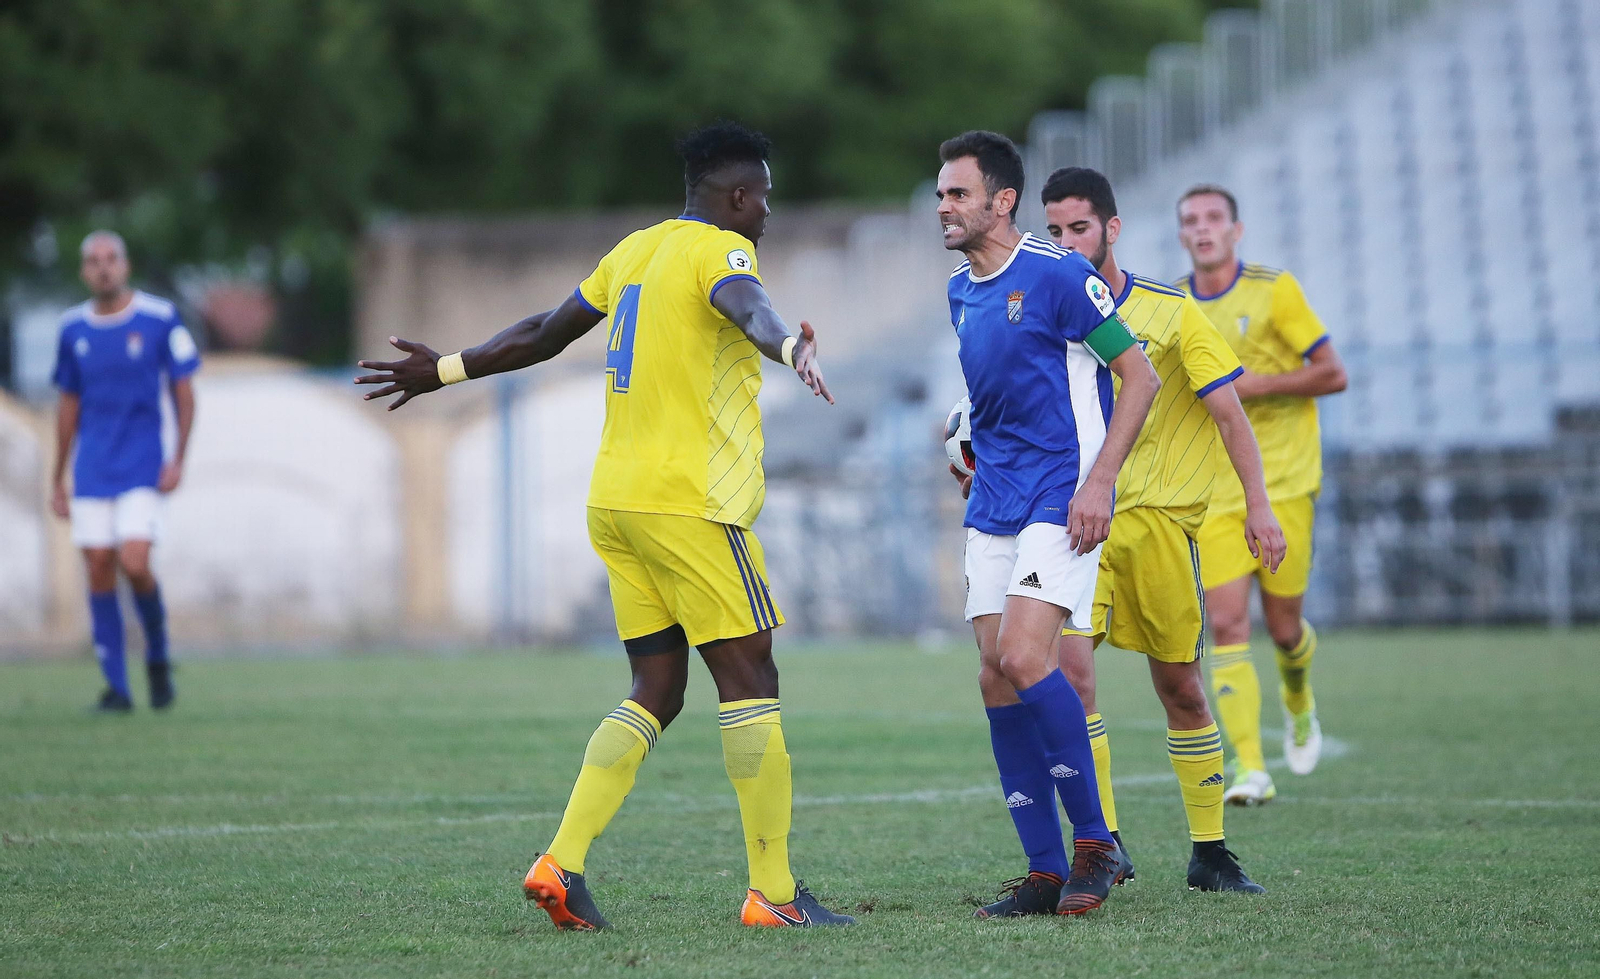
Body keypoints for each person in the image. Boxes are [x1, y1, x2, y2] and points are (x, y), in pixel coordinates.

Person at [355, 122, 853, 930]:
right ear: (736, 196)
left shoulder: (637, 250)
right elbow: (748, 303)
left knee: (656, 688)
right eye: (762, 195)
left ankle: (562, 859)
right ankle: (775, 893)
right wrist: (789, 345)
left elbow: (545, 332)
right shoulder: (722, 252)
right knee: (752, 680)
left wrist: (446, 367)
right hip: (690, 504)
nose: (767, 211)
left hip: (616, 501)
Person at [1039, 167, 1282, 891]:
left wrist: (1259, 504)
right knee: (1070, 677)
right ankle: (1102, 841)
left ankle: (1210, 850)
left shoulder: (1173, 312)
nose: (1064, 242)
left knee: (1179, 686)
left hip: (1157, 524)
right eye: (1051, 231)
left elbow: (1230, 413)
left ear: (1112, 229)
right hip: (1072, 525)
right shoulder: (1043, 309)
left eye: (1077, 227)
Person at [937, 132, 1160, 918]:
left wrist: (1101, 481)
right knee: (993, 673)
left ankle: (1096, 843)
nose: (943, 207)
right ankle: (1041, 868)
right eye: (940, 194)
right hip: (992, 498)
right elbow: (1002, 381)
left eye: (957, 194)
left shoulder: (1061, 276)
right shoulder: (962, 289)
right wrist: (964, 430)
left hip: (1060, 494)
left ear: (1001, 201)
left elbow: (1140, 375)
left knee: (1027, 656)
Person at [1176, 184, 1348, 805]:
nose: (1203, 229)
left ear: (1236, 230)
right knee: (1224, 623)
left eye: (1214, 218)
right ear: (1181, 235)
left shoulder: (1275, 290)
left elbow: (1334, 371)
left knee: (1283, 627)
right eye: (1191, 220)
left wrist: (1256, 386)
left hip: (1286, 483)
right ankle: (1250, 769)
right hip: (1218, 490)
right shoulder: (1177, 305)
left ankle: (1298, 698)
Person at [50, 230, 200, 713]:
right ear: (83, 272)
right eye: (93, 260)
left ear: (126, 265)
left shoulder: (159, 318)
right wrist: (59, 476)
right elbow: (68, 404)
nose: (103, 267)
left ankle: (157, 656)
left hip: (142, 464)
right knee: (97, 567)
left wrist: (178, 457)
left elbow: (183, 388)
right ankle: (116, 687)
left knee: (134, 562)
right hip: (92, 467)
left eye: (110, 258)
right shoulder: (72, 329)